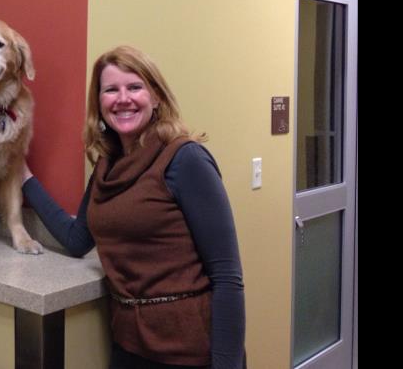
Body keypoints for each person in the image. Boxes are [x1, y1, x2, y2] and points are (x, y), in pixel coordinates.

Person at [21, 45, 245, 369]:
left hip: (189, 352)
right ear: (99, 103)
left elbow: (227, 277)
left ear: (156, 97)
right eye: (111, 90)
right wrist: (24, 177)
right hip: (129, 346)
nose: (123, 98)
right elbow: (77, 239)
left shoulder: (185, 159)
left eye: (135, 87)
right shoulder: (107, 165)